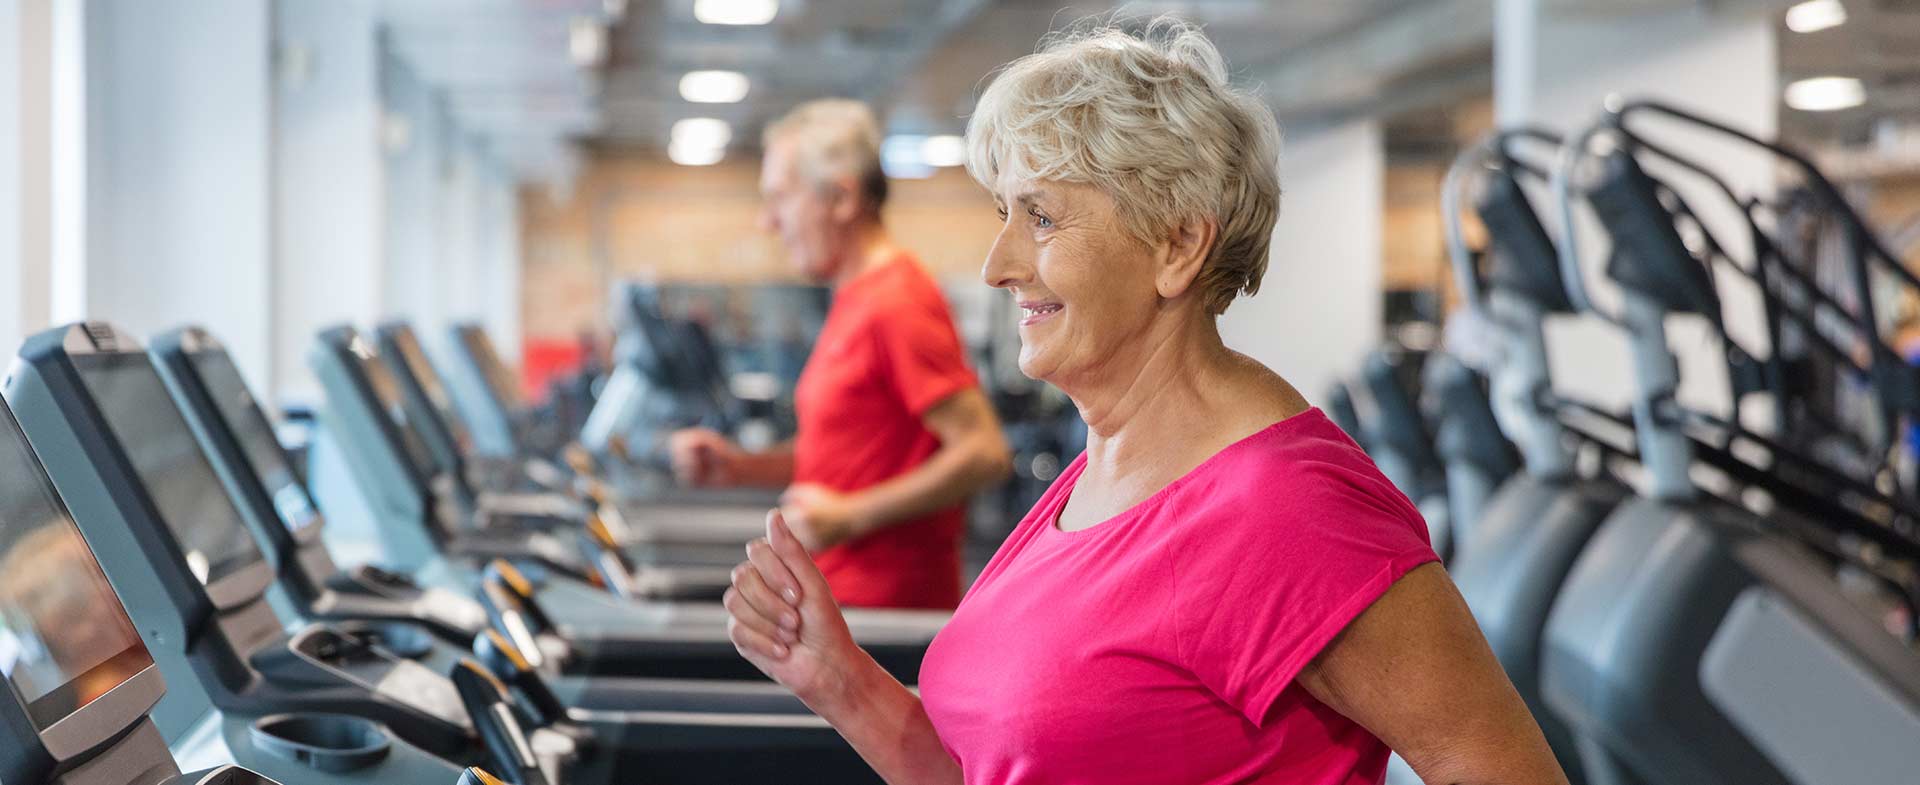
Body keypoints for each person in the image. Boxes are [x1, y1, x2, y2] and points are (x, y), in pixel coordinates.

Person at [721, 19, 1571, 785]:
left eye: (1041, 218)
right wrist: (837, 679)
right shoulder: (1101, 472)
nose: (998, 264)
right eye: (1005, 213)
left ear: (1177, 244)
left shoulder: (1290, 511)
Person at [669, 99, 1013, 610]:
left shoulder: (897, 301)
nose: (768, 222)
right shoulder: (855, 297)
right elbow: (843, 455)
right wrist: (739, 468)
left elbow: (984, 452)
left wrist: (849, 517)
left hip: (882, 615)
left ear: (842, 198)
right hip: (837, 601)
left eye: (780, 198)